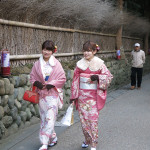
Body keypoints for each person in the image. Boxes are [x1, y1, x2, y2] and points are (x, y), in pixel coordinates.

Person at [70, 41, 113, 150]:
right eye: (84, 51)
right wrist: (74, 95)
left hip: (93, 97)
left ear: (94, 51)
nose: (86, 53)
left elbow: (108, 77)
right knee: (83, 121)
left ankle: (93, 143)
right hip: (82, 97)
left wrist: (98, 77)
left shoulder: (100, 64)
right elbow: (75, 80)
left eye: (89, 51)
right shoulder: (80, 64)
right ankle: (87, 140)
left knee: (93, 120)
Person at [30, 40, 66, 150]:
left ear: (52, 52)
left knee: (50, 118)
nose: (46, 52)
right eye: (44, 49)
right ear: (42, 50)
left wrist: (52, 84)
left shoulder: (57, 64)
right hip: (42, 95)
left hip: (53, 95)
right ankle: (53, 138)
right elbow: (32, 77)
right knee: (44, 118)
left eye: (48, 50)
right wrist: (37, 83)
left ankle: (44, 143)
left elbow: (62, 78)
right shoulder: (37, 64)